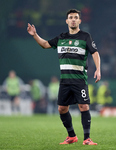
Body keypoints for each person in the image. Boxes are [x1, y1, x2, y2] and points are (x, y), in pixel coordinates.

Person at [27, 9, 101, 145]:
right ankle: (71, 136)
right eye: (71, 17)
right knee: (62, 109)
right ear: (67, 21)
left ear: (79, 21)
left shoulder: (85, 37)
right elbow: (45, 45)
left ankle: (87, 138)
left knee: (84, 106)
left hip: (79, 80)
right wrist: (35, 35)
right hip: (65, 81)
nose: (73, 19)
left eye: (76, 17)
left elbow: (95, 53)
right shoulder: (61, 38)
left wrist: (98, 69)